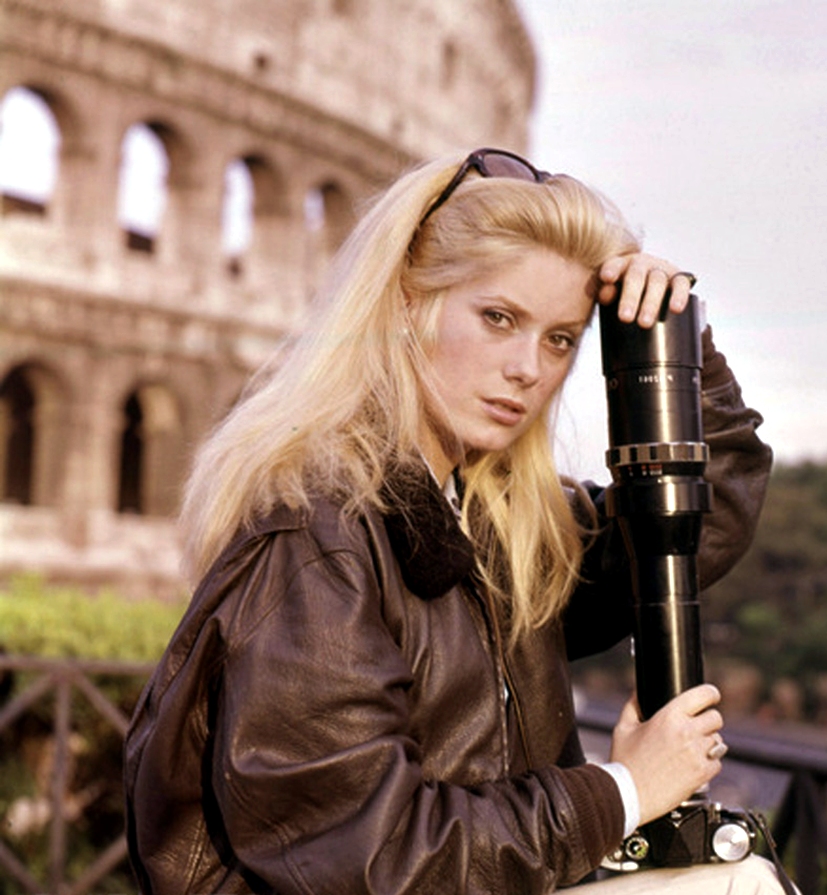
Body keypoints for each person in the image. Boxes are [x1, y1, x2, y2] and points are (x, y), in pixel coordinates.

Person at [124, 148, 778, 894]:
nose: (528, 367)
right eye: (499, 318)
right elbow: (375, 859)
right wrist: (624, 789)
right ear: (409, 304)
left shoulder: (492, 526)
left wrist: (670, 334)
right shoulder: (317, 530)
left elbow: (701, 520)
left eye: (560, 338)